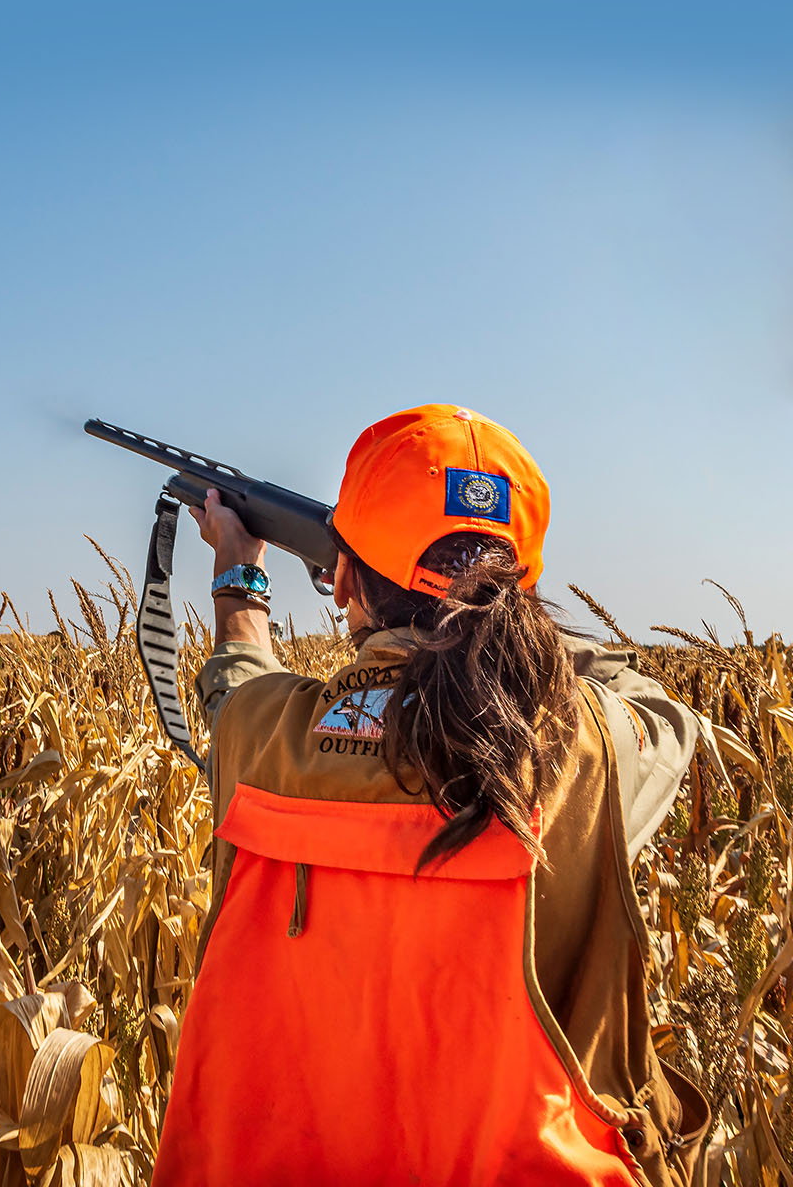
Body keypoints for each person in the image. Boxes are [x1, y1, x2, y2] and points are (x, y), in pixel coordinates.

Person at [151, 404, 710, 1187]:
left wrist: (238, 567)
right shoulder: (591, 749)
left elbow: (235, 680)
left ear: (341, 575)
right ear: (519, 590)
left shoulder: (261, 735)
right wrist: (512, 630)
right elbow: (665, 715)